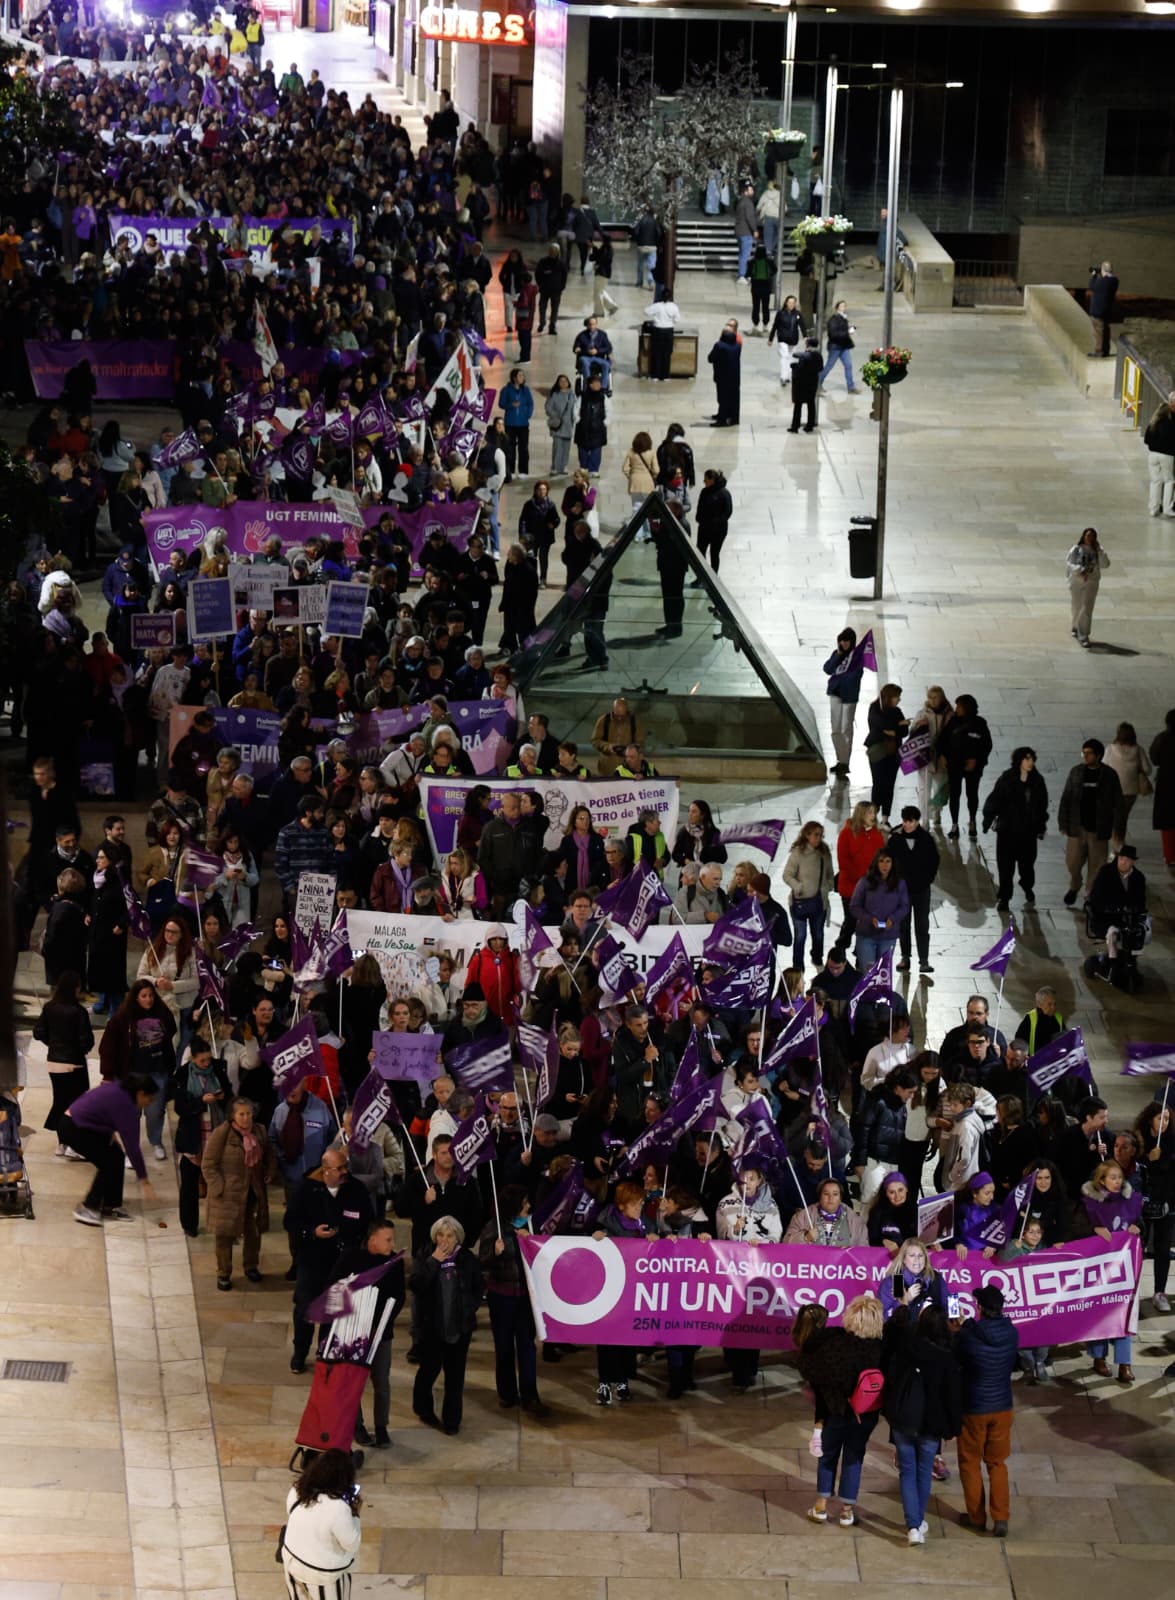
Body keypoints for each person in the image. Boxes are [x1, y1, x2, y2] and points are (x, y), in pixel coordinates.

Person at [796, 1294, 885, 1527]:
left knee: (828, 1457)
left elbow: (811, 1370)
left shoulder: (835, 1344)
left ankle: (821, 1506)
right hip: (864, 1416)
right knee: (854, 1458)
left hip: (835, 1412)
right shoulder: (879, 1349)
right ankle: (847, 1511)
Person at [882, 1303, 962, 1545]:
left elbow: (891, 1377)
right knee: (923, 1473)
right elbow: (953, 1397)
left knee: (907, 1471)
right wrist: (953, 1428)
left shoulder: (907, 1349)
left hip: (904, 1420)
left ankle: (913, 1525)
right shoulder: (947, 1357)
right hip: (931, 1425)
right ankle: (917, 1521)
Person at [328, 1218, 406, 1449]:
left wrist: (380, 1324)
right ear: (372, 1240)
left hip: (381, 1333)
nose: (393, 1244)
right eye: (388, 1239)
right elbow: (333, 1287)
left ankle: (381, 1428)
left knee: (381, 1382)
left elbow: (398, 1298)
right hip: (353, 1332)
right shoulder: (350, 1258)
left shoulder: (395, 1262)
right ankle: (357, 1426)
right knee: (354, 1384)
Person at [954, 1283, 1019, 1536]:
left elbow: (958, 1356)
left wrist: (963, 1327)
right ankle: (1000, 1516)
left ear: (979, 1308)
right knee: (997, 1463)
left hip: (974, 1408)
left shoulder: (968, 1336)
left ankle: (977, 1517)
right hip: (1003, 1406)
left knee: (970, 1463)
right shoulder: (1012, 1333)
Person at [478, 1185, 547, 1414]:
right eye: (524, 1202)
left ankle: (530, 1395)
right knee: (505, 1346)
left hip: (526, 1298)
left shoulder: (530, 1225)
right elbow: (483, 1262)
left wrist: (531, 1241)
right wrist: (495, 1253)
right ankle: (507, 1393)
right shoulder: (493, 1230)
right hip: (502, 1298)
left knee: (527, 1346)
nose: (528, 1206)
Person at [412, 1215, 484, 1434]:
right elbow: (416, 1285)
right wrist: (433, 1261)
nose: (444, 1240)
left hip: (459, 1328)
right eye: (440, 1235)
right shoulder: (425, 1254)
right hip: (432, 1328)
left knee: (455, 1377)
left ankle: (452, 1421)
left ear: (457, 1238)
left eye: (449, 1235)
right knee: (428, 1372)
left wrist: (469, 1309)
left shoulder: (467, 1259)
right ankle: (423, 1410)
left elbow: (478, 1287)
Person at [61, 1074, 159, 1225]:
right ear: (140, 1093)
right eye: (149, 1099)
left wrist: (109, 1133)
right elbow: (132, 1147)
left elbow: (103, 1110)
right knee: (107, 1162)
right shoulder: (126, 1105)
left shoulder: (120, 1089)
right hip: (75, 1126)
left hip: (80, 1123)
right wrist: (144, 1179)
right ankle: (88, 1207)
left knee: (116, 1156)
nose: (149, 1103)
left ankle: (110, 1205)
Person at [201, 1097, 276, 1291]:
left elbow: (269, 1154)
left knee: (253, 1232)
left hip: (252, 1191)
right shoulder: (222, 1134)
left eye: (248, 1113)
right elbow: (208, 1164)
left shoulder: (259, 1131)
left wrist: (269, 1171)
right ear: (233, 1115)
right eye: (241, 1114)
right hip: (228, 1195)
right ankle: (223, 1273)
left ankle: (251, 1266)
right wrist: (219, 1187)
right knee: (224, 1235)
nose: (245, 1118)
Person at [280, 1447, 362, 1600]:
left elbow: (293, 1516)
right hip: (321, 1574)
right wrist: (355, 1514)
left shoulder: (298, 1489)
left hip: (292, 1561)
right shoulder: (338, 1507)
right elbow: (352, 1543)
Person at [981, 747, 1049, 913]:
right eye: (1027, 759)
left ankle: (1027, 886)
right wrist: (988, 819)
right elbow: (995, 799)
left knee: (1026, 866)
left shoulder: (1037, 781)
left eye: (1032, 759)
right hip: (1008, 832)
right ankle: (1005, 897)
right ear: (1019, 761)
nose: (1030, 762)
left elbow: (1041, 806)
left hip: (1028, 833)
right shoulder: (1007, 778)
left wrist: (1040, 826)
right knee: (1005, 868)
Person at [35, 971, 94, 1158]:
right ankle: (73, 1145)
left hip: (54, 1062)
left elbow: (39, 1032)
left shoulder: (49, 1007)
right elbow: (87, 1042)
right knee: (75, 1105)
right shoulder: (79, 1012)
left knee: (60, 1102)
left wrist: (52, 1044)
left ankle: (61, 1143)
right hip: (74, 1063)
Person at [1057, 738, 1121, 905]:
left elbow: (1117, 801)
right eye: (1083, 753)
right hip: (1077, 827)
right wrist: (1063, 822)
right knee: (1072, 862)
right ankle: (1075, 884)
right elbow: (1067, 797)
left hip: (1098, 829)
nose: (1085, 756)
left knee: (1097, 866)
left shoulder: (1109, 775)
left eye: (1089, 753)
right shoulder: (1076, 772)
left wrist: (1115, 825)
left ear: (1098, 755)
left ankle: (1089, 895)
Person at [1087, 843, 1147, 984]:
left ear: (1133, 862)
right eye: (1121, 858)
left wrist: (1134, 911)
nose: (1123, 862)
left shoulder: (1138, 877)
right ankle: (1113, 967)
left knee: (1138, 933)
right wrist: (1115, 908)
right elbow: (1096, 898)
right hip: (1105, 918)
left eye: (1126, 860)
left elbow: (1140, 901)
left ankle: (1132, 963)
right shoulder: (1106, 872)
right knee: (1112, 934)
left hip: (1128, 918)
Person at [890, 807, 939, 975]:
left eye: (910, 821)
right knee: (903, 925)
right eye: (905, 820)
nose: (907, 824)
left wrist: (927, 880)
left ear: (917, 821)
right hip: (902, 890)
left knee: (922, 925)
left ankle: (924, 960)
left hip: (921, 890)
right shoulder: (895, 838)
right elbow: (887, 860)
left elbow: (934, 862)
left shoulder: (926, 839)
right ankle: (905, 957)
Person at [938, 694, 993, 840]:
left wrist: (976, 760)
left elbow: (986, 745)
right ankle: (955, 824)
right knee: (955, 795)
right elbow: (942, 740)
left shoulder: (980, 723)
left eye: (959, 706)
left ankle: (972, 821)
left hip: (973, 767)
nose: (957, 709)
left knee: (972, 794)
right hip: (954, 765)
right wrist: (942, 755)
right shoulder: (953, 722)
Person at [782, 821, 833, 972]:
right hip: (799, 903)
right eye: (816, 835)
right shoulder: (798, 853)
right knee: (800, 936)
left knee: (818, 934)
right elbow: (787, 875)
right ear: (807, 834)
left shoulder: (824, 853)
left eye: (821, 835)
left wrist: (826, 887)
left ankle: (817, 959)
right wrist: (798, 886)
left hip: (819, 902)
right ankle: (798, 967)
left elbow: (830, 875)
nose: (819, 838)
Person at [849, 849, 908, 968]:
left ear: (893, 864)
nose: (884, 865)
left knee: (882, 974)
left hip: (888, 935)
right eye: (881, 861)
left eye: (888, 861)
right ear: (876, 863)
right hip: (866, 934)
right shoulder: (865, 882)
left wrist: (892, 919)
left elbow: (904, 906)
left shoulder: (900, 884)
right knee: (868, 974)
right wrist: (870, 919)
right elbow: (854, 906)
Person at [1104, 721, 1152, 853]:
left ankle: (1117, 843)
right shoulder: (1138, 750)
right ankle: (1119, 841)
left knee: (1115, 816)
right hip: (1130, 792)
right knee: (1122, 817)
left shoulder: (1110, 749)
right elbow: (1148, 770)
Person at [865, 683, 908, 825]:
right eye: (897, 697)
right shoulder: (875, 708)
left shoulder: (897, 711)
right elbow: (882, 725)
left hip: (894, 752)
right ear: (889, 697)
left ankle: (885, 818)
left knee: (889, 784)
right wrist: (898, 726)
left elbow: (904, 731)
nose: (899, 700)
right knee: (878, 783)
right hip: (878, 751)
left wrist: (893, 730)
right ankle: (873, 815)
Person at [823, 629, 863, 780]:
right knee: (835, 729)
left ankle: (845, 762)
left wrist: (841, 676)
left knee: (846, 728)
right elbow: (827, 669)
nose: (844, 643)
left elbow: (855, 675)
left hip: (849, 697)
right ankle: (840, 759)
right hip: (835, 694)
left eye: (847, 641)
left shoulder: (857, 657)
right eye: (842, 640)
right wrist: (839, 655)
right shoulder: (837, 653)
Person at [1065, 526, 1110, 648]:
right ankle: (1075, 625)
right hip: (1077, 582)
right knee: (1077, 606)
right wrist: (1080, 571)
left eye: (1092, 536)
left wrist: (1099, 551)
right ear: (1084, 536)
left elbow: (1106, 564)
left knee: (1087, 608)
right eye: (1088, 535)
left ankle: (1083, 635)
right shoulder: (1076, 549)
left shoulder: (1098, 551)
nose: (1090, 538)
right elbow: (1070, 564)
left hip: (1091, 582)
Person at [1143, 388, 1175, 518]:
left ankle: (1153, 508)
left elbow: (1147, 438)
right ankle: (1168, 508)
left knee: (1155, 481)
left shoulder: (1156, 417)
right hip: (1167, 455)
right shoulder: (1171, 420)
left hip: (1153, 455)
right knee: (1169, 481)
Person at [1150, 707, 1175, 870]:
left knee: (1168, 822)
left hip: (1167, 783)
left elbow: (1154, 758)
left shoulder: (1162, 738)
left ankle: (1170, 856)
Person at [695, 469, 732, 575]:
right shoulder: (704, 492)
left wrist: (717, 522)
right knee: (700, 553)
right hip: (704, 528)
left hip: (718, 530)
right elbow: (700, 507)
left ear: (712, 480)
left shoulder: (724, 493)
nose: (704, 482)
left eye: (706, 480)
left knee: (714, 553)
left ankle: (713, 576)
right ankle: (701, 576)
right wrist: (699, 519)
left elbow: (728, 511)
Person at [819, 301, 859, 394]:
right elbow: (833, 334)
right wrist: (847, 332)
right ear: (837, 308)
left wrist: (850, 329)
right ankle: (818, 383)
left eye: (844, 306)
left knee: (848, 365)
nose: (843, 307)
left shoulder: (843, 318)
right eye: (841, 306)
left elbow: (841, 330)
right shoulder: (833, 320)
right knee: (829, 366)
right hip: (835, 347)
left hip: (844, 346)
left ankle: (851, 387)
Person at [707, 320, 741, 427]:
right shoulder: (737, 346)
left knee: (722, 398)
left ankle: (722, 419)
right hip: (734, 376)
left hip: (722, 376)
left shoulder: (720, 346)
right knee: (733, 398)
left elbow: (710, 358)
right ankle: (733, 418)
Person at [768, 294, 806, 387]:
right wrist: (771, 338)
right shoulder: (781, 313)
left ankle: (789, 376)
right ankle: (783, 377)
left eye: (793, 302)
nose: (791, 304)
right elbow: (775, 326)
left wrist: (805, 337)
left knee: (791, 357)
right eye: (789, 302)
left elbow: (802, 326)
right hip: (783, 338)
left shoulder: (798, 314)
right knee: (784, 356)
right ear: (786, 303)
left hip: (793, 339)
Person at [789, 337, 823, 433]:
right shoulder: (819, 356)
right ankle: (810, 425)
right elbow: (820, 368)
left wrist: (793, 366)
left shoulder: (805, 356)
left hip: (802, 384)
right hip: (813, 383)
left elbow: (800, 369)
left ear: (808, 345)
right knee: (811, 404)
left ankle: (795, 426)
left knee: (798, 405)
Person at [1087, 260, 1119, 357]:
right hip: (1107, 311)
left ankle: (1099, 351)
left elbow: (1092, 286)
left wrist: (1094, 275)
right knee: (1105, 330)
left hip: (1098, 311)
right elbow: (1104, 284)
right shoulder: (1114, 281)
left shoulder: (1102, 282)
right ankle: (1106, 350)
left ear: (1103, 270)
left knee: (1098, 332)